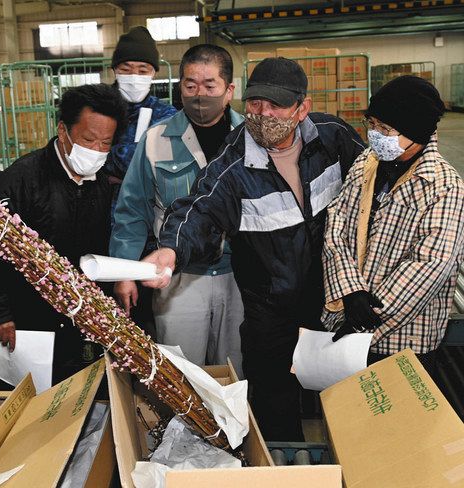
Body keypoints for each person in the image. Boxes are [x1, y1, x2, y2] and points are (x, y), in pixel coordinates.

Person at [141, 57, 365, 441]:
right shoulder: (233, 165)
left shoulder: (332, 138)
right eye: (256, 103)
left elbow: (371, 181)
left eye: (276, 105)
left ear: (302, 108)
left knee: (339, 389)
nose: (263, 114)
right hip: (270, 306)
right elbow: (199, 209)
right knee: (273, 398)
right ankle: (283, 457)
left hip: (331, 296)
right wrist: (172, 250)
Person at [0, 83, 127, 389]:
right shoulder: (23, 179)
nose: (96, 151)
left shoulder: (102, 184)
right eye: (88, 140)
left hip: (72, 320)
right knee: (18, 398)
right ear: (63, 130)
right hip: (21, 319)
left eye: (105, 143)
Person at [110, 44, 245, 376]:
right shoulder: (156, 140)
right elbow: (132, 209)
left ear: (228, 90)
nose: (199, 95)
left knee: (237, 373)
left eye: (209, 86)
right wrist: (125, 270)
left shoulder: (250, 139)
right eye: (190, 85)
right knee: (181, 376)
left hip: (241, 276)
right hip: (178, 278)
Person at [322, 75, 464, 378]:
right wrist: (350, 291)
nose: (375, 135)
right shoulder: (367, 164)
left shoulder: (443, 187)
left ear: (417, 132)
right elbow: (337, 222)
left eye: (385, 129)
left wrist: (365, 318)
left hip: (404, 341)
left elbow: (429, 266)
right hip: (349, 323)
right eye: (372, 124)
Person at [105, 26, 177, 338]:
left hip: (146, 229)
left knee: (143, 319)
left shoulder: (166, 114)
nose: (134, 76)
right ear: (114, 70)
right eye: (126, 69)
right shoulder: (98, 106)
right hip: (97, 222)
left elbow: (155, 166)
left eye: (142, 69)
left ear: (154, 73)